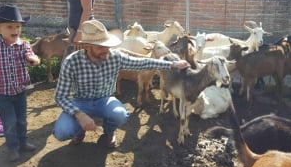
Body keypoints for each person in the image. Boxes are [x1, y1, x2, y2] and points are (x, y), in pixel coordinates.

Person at [52, 19, 190, 148]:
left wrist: (173, 64)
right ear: (87, 46)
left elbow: (143, 63)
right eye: (101, 48)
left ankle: (108, 133)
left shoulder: (114, 56)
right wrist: (79, 115)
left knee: (121, 114)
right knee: (61, 132)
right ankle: (79, 131)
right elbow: (60, 97)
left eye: (108, 47)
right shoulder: (71, 62)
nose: (107, 53)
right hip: (80, 101)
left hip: (104, 99)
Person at [0, 5, 41, 162]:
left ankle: (23, 142)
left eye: (17, 26)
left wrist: (34, 60)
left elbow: (32, 56)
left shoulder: (23, 45)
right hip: (2, 93)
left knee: (22, 119)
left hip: (20, 91)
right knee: (9, 122)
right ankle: (13, 148)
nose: (14, 29)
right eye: (9, 26)